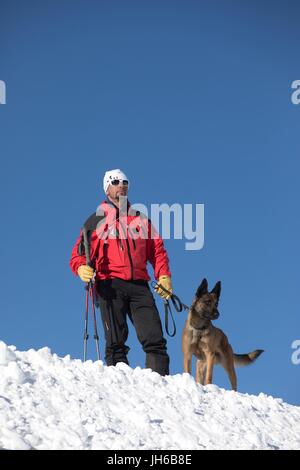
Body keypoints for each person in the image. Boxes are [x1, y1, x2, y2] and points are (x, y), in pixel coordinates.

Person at [70, 169, 173, 376]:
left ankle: (161, 385)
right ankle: (121, 388)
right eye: (116, 181)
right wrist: (81, 267)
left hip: (139, 286)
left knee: (155, 339)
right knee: (115, 342)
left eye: (125, 181)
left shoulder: (141, 219)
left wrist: (163, 276)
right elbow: (78, 254)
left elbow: (158, 251)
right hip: (109, 285)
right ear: (107, 188)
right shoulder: (95, 221)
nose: (122, 185)